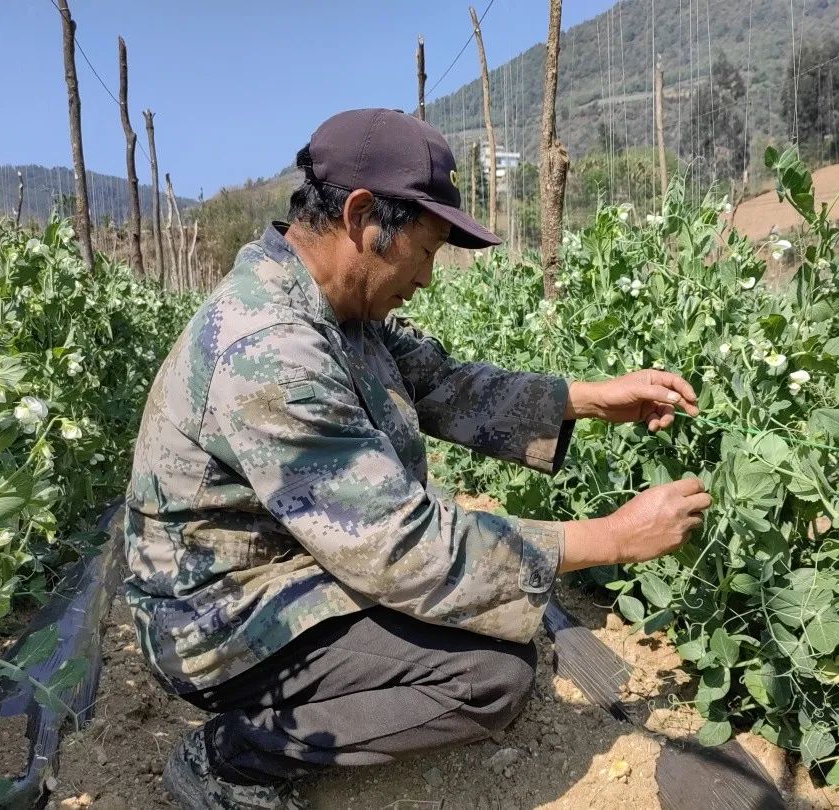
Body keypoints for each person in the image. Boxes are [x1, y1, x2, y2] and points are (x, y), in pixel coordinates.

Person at [124, 108, 711, 810]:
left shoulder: (337, 308)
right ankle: (232, 758)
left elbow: (441, 383)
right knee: (490, 676)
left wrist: (587, 398)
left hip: (290, 565)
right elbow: (403, 547)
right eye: (427, 251)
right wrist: (613, 539)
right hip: (222, 621)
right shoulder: (272, 349)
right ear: (363, 217)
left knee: (486, 611)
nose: (429, 279)